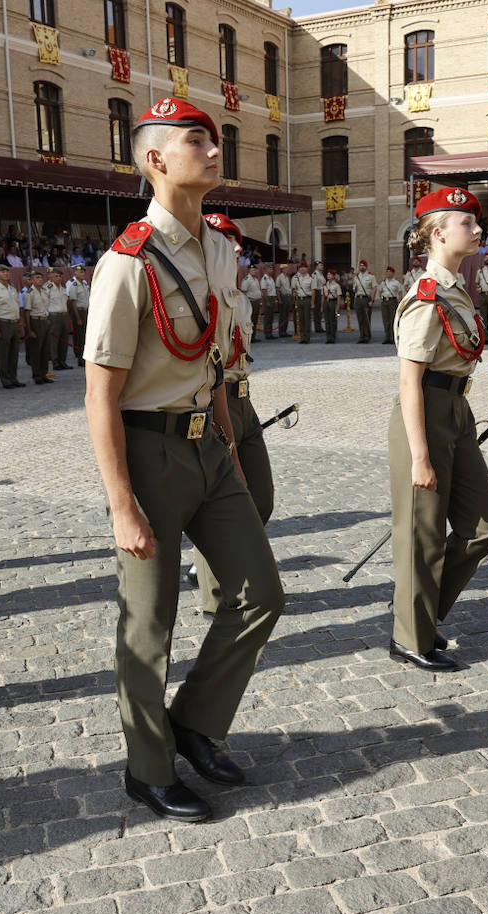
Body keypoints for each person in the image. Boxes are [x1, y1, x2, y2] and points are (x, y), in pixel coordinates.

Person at [83, 97, 284, 823]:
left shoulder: (222, 249)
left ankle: (193, 723)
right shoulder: (128, 262)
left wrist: (228, 438)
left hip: (211, 442)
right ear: (154, 160)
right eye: (194, 139)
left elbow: (217, 359)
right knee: (149, 624)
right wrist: (120, 504)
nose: (212, 148)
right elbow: (99, 393)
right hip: (148, 450)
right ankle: (146, 769)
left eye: (214, 138)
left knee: (262, 592)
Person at [387, 189, 488, 672]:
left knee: (484, 528)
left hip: (457, 409)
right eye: (467, 223)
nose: (477, 230)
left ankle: (424, 612)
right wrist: (419, 455)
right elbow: (409, 380)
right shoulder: (426, 295)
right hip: (426, 412)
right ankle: (411, 637)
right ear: (438, 233)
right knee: (423, 534)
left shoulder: (455, 287)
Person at [196, 214, 275, 615]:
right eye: (225, 241)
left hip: (243, 399)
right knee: (219, 503)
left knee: (261, 500)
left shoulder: (238, 297)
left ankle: (228, 563)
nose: (238, 248)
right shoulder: (197, 297)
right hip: (212, 400)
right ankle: (217, 596)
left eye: (237, 241)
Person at [23, 269, 53, 384]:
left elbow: (47, 307)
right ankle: (36, 374)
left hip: (45, 320)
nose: (40, 280)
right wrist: (29, 329)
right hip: (35, 321)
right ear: (31, 280)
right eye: (37, 278)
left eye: (41, 277)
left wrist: (48, 320)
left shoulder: (45, 291)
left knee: (45, 349)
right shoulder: (29, 293)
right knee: (36, 349)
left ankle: (44, 373)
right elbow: (27, 312)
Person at [46, 267, 72, 371]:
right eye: (56, 276)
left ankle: (62, 361)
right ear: (50, 277)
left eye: (60, 276)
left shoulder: (63, 288)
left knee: (64, 339)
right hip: (54, 316)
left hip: (64, 315)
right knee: (54, 340)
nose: (59, 278)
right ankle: (55, 361)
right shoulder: (47, 288)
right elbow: (44, 303)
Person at [67, 264, 91, 365]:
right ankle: (80, 358)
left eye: (83, 272)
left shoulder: (84, 284)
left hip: (86, 310)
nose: (83, 274)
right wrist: (77, 318)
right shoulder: (74, 285)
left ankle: (85, 356)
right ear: (75, 274)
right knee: (80, 336)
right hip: (79, 311)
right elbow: (73, 302)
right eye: (80, 272)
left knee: (86, 335)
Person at [352, 260, 377, 343]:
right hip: (358, 298)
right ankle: (361, 336)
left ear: (366, 267)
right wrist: (354, 287)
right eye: (360, 265)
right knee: (360, 318)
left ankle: (367, 336)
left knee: (366, 318)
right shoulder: (356, 277)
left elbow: (374, 288)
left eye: (363, 265)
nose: (362, 267)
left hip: (366, 298)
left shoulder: (371, 277)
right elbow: (354, 289)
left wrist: (372, 300)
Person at [378, 266, 402, 345]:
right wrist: (381, 298)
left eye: (389, 271)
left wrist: (399, 302)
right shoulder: (383, 282)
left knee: (392, 319)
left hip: (392, 301)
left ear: (393, 273)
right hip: (385, 301)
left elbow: (399, 293)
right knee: (385, 320)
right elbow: (380, 291)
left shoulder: (396, 283)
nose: (388, 273)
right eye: (387, 271)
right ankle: (387, 337)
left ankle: (392, 337)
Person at [291, 263, 314, 343]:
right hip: (299, 300)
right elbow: (294, 289)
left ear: (307, 269)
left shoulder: (310, 279)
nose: (302, 269)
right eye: (301, 268)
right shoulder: (297, 278)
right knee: (300, 319)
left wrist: (312, 302)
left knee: (307, 319)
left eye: (304, 268)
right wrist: (294, 297)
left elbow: (313, 291)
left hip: (307, 299)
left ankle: (307, 337)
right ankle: (302, 337)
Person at [321, 269, 342, 344]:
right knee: (327, 321)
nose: (328, 276)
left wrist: (338, 306)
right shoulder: (325, 285)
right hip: (326, 302)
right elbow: (323, 295)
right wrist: (322, 306)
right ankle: (328, 337)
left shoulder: (336, 285)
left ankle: (333, 337)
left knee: (333, 320)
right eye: (327, 274)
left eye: (330, 275)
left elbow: (339, 296)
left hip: (333, 302)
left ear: (333, 276)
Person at [259, 264, 277, 339]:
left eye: (272, 269)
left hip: (272, 297)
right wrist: (267, 301)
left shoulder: (271, 278)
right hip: (268, 298)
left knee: (271, 316)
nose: (272, 270)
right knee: (267, 317)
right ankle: (267, 333)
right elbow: (264, 291)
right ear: (265, 270)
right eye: (270, 269)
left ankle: (270, 332)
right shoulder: (264, 279)